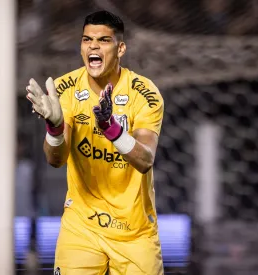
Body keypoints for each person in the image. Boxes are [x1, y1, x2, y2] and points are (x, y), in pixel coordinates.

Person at [26, 10, 165, 275]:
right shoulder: (64, 89)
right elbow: (55, 160)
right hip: (81, 228)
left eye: (103, 40)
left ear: (120, 48)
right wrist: (55, 127)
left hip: (134, 233)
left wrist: (111, 129)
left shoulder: (144, 93)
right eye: (87, 39)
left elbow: (146, 160)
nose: (93, 46)